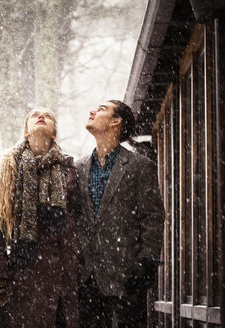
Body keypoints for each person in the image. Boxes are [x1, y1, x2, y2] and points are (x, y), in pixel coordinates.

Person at [0, 108, 79, 327]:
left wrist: (76, 261)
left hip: (63, 275)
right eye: (34, 115)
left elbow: (78, 219)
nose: (41, 116)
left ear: (54, 132)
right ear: (26, 131)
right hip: (26, 274)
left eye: (48, 116)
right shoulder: (8, 168)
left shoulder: (68, 168)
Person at [76, 100, 164, 327]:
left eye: (102, 109)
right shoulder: (78, 168)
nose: (92, 111)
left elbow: (153, 217)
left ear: (116, 122)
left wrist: (147, 262)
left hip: (127, 277)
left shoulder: (139, 166)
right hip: (86, 278)